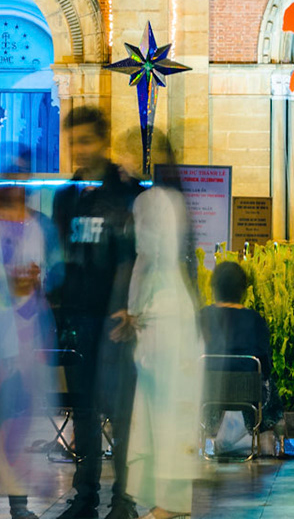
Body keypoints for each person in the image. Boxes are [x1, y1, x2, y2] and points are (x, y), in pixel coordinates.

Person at [49, 107, 140, 519]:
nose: (79, 150)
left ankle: (124, 497)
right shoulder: (65, 197)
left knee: (121, 413)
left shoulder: (125, 192)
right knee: (83, 411)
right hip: (78, 317)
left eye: (86, 141)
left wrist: (127, 305)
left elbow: (133, 255)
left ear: (103, 142)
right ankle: (84, 496)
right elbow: (60, 257)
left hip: (116, 321)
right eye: (74, 143)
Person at [112, 129, 202, 519]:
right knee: (176, 409)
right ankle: (174, 500)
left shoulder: (147, 201)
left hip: (158, 315)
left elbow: (146, 260)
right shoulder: (179, 200)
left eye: (127, 155)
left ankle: (163, 504)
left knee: (155, 411)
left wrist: (132, 309)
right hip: (180, 312)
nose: (120, 163)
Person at [0, 168, 62, 519]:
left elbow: (57, 271)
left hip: (29, 330)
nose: (16, 186)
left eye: (22, 178)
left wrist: (42, 280)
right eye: (10, 178)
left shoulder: (41, 225)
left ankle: (19, 504)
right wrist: (0, 282)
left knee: (20, 419)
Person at [199, 260, 281, 446]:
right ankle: (268, 437)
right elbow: (266, 365)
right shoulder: (255, 319)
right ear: (243, 290)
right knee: (268, 383)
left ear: (214, 288)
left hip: (209, 391)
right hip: (249, 394)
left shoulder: (203, 317)